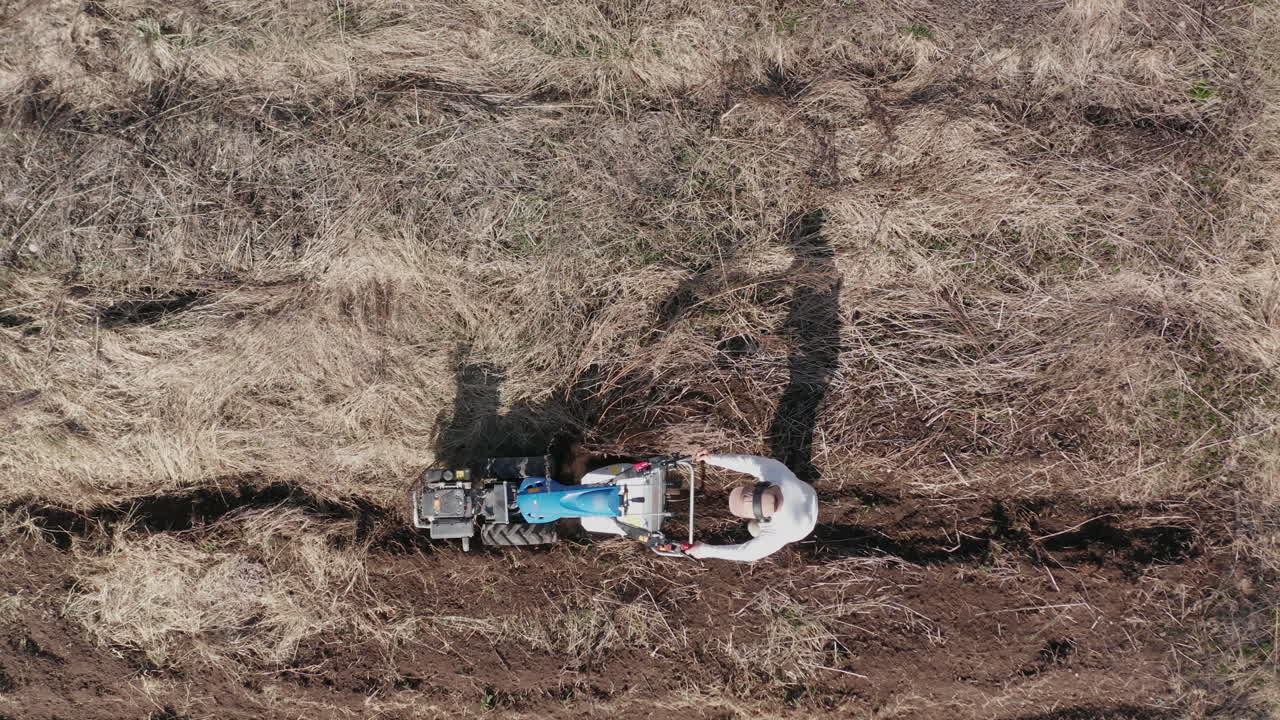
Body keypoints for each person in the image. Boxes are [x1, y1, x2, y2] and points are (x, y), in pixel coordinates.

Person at [681, 449, 817, 562]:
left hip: (804, 526)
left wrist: (705, 551)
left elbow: (747, 553)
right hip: (808, 494)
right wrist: (712, 458)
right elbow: (747, 463)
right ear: (761, 487)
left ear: (764, 519)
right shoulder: (777, 474)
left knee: (753, 528)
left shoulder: (779, 532)